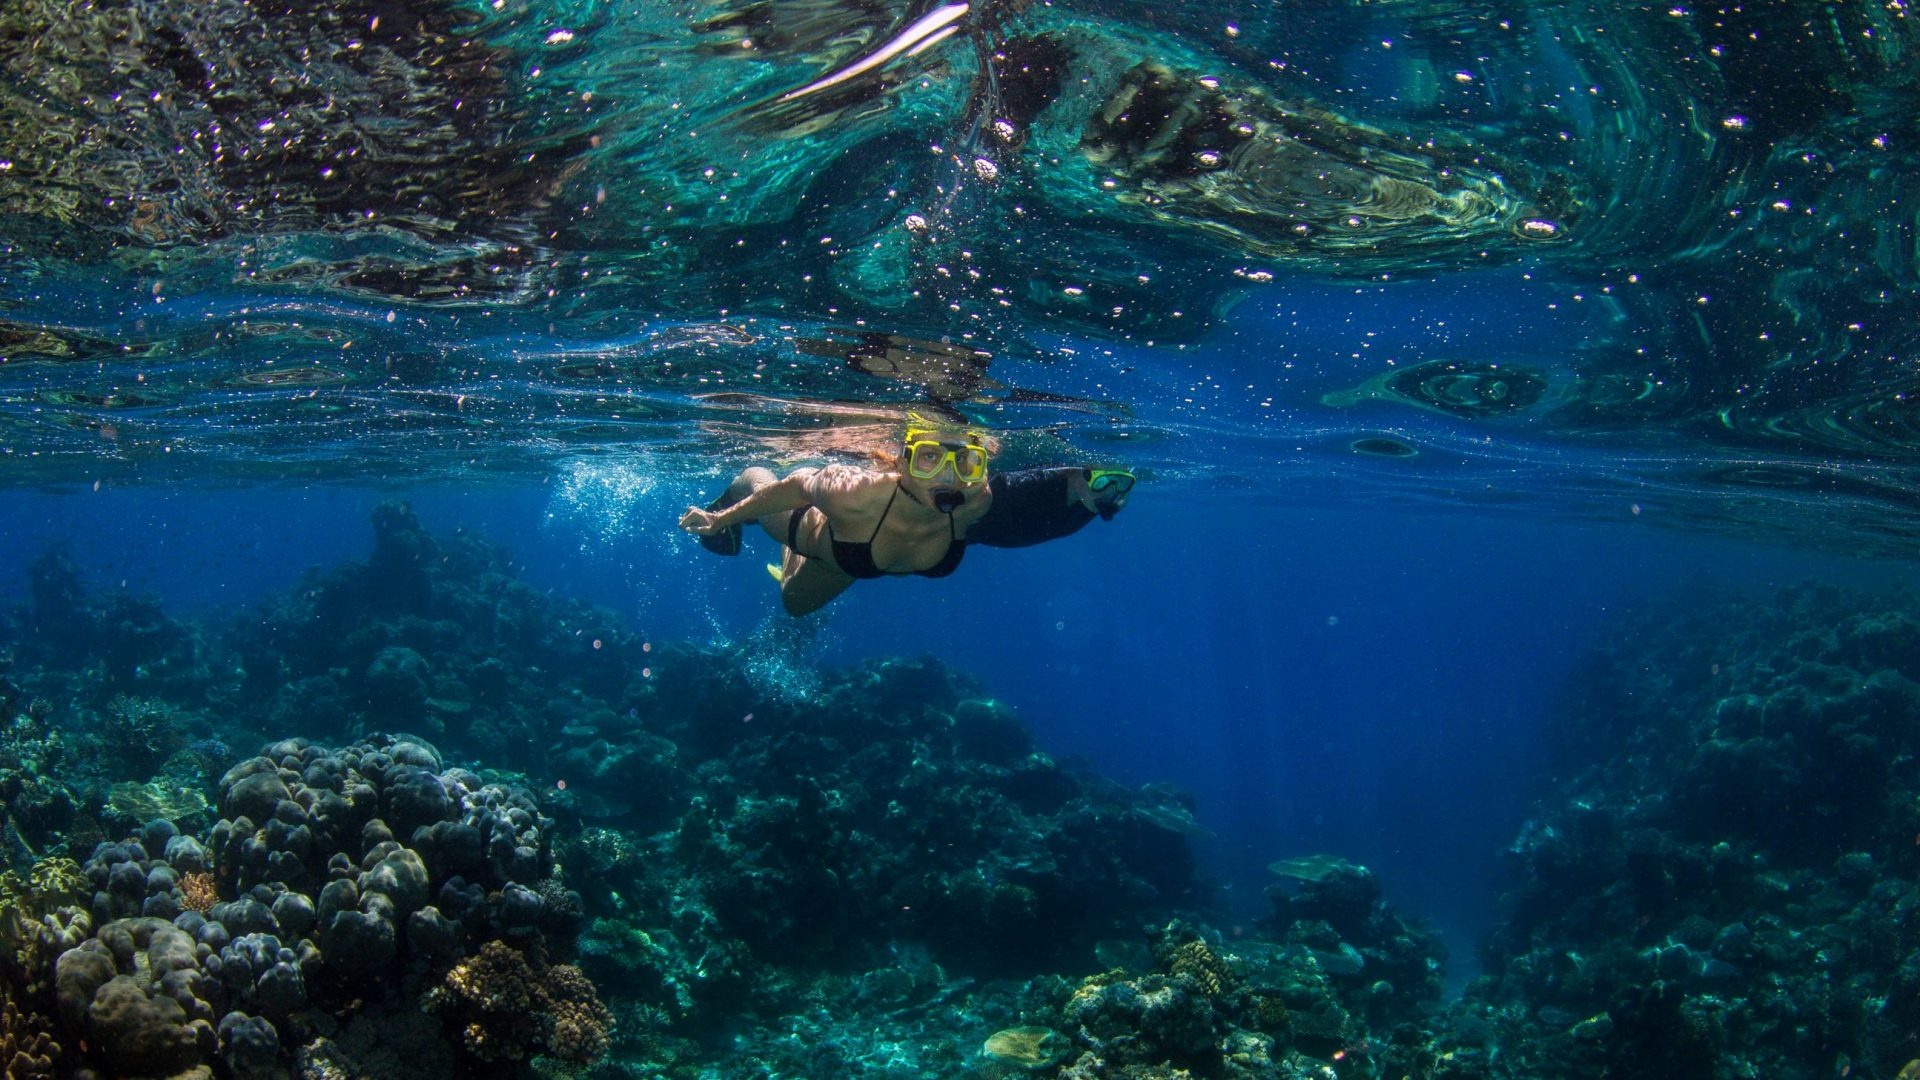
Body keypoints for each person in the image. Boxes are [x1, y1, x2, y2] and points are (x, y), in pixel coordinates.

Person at [678, 417, 1133, 615]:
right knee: (764, 492)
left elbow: (1025, 507)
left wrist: (1081, 490)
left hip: (856, 558)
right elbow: (795, 488)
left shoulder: (975, 501)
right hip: (812, 528)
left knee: (796, 608)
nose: (948, 480)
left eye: (967, 465)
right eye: (929, 459)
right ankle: (741, 482)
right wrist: (720, 521)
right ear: (901, 462)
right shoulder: (857, 493)